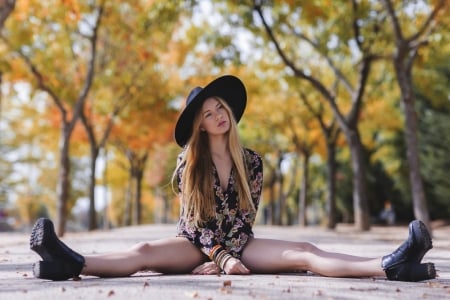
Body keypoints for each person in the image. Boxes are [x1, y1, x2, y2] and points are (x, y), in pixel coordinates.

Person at [29, 75, 436, 282]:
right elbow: (195, 225)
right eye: (207, 113)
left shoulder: (252, 162)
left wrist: (231, 256)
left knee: (306, 250)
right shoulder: (188, 164)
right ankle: (68, 262)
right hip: (193, 245)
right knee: (143, 250)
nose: (217, 116)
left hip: (241, 244)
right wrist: (219, 258)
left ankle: (389, 266)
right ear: (201, 125)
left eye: (219, 107)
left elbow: (245, 221)